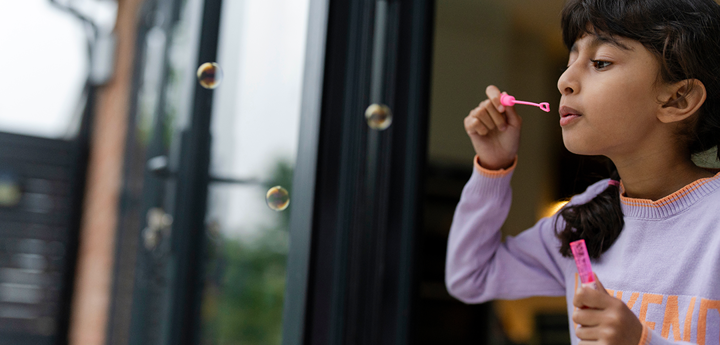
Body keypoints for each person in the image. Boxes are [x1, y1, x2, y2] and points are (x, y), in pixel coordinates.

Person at [444, 0, 720, 344]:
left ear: (677, 99)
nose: (564, 81)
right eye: (570, 59)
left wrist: (640, 341)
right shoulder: (584, 220)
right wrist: (493, 167)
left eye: (600, 62)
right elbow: (470, 277)